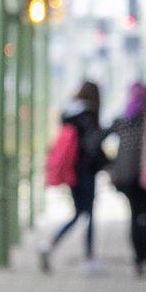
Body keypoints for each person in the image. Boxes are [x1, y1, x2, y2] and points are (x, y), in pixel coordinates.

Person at [38, 79, 107, 270]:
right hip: (86, 170)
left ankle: (49, 245)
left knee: (79, 213)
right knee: (88, 213)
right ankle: (89, 257)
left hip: (71, 170)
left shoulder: (69, 113)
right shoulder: (89, 114)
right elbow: (91, 145)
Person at [106, 80, 146, 275]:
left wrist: (110, 165)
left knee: (135, 217)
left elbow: (98, 139)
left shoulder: (123, 121)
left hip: (128, 177)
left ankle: (139, 259)